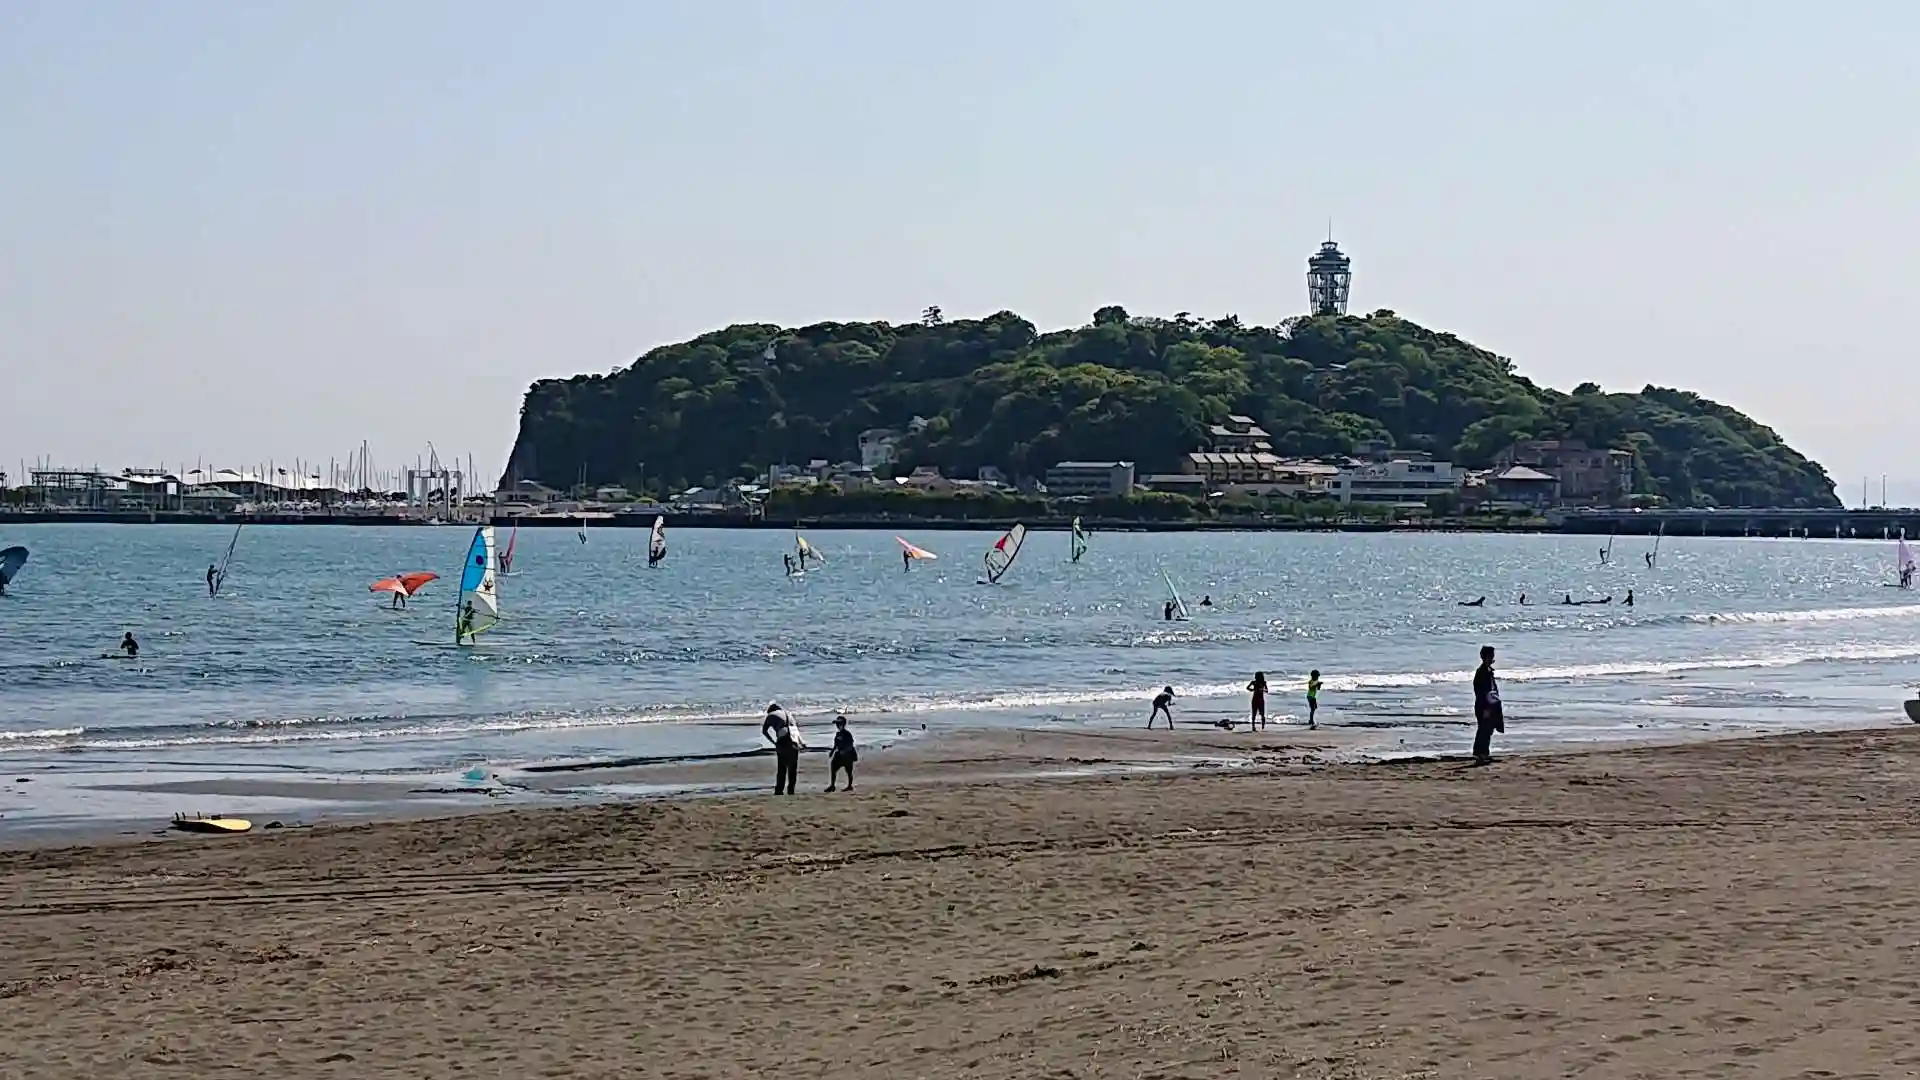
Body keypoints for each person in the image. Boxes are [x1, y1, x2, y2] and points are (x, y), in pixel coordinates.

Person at [1472, 645, 1503, 765]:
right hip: (1484, 705)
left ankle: (1484, 753)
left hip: (1490, 704)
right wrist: (1486, 708)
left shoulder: (1488, 670)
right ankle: (1479, 754)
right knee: (1483, 730)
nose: (1493, 658)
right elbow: (1481, 692)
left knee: (1488, 730)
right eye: (1491, 655)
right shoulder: (1482, 672)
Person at [763, 702, 801, 795]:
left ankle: (779, 790)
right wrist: (802, 742)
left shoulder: (771, 715)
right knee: (792, 769)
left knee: (782, 768)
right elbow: (796, 730)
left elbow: (764, 731)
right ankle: (791, 790)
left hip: (783, 741)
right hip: (794, 740)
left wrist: (773, 742)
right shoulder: (789, 714)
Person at [827, 715, 857, 792]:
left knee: (849, 771)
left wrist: (845, 751)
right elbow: (836, 744)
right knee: (833, 768)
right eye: (837, 724)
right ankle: (832, 786)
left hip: (848, 755)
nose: (837, 725)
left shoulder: (847, 734)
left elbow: (850, 744)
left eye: (839, 724)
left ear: (843, 724)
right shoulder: (838, 734)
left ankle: (850, 786)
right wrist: (832, 751)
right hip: (839, 754)